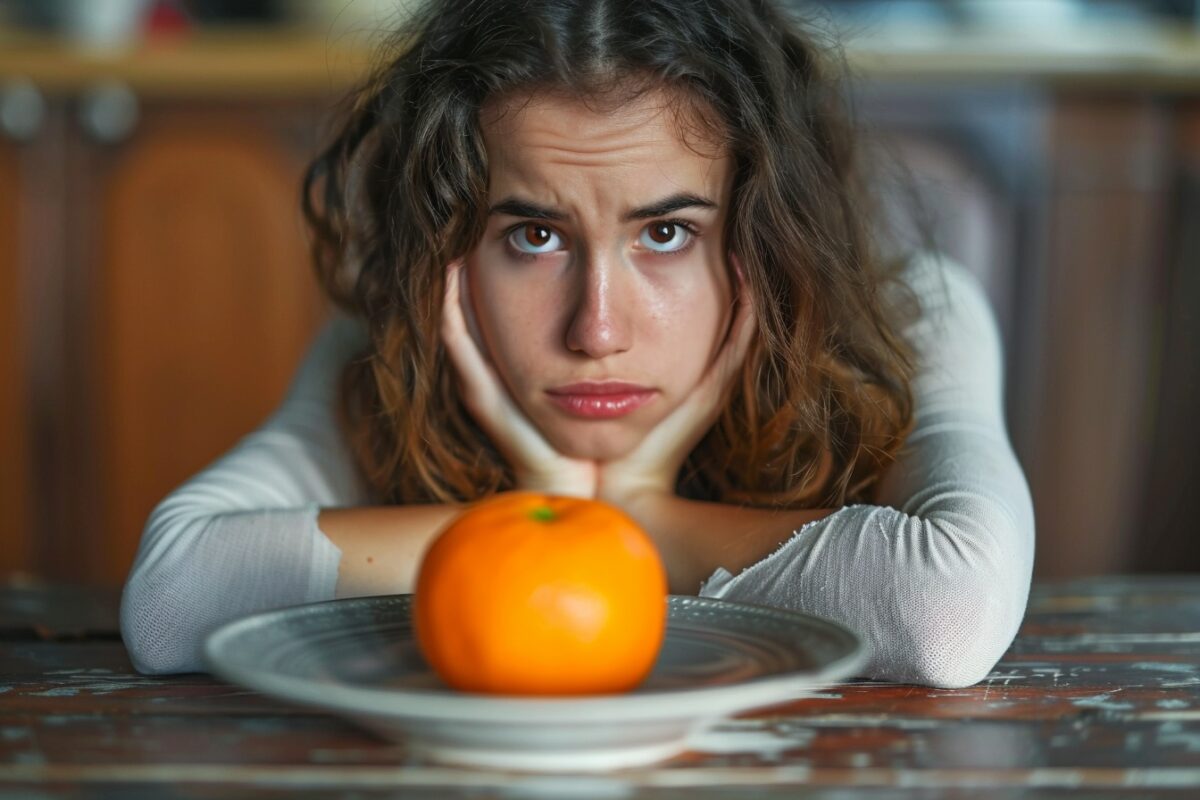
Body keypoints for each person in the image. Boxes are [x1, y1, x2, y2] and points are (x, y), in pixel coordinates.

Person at [119, 0, 1034, 688]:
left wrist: (626, 516)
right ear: (453, 243)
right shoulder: (397, 340)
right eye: (534, 236)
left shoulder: (918, 312)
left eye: (666, 234)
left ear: (765, 235)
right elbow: (171, 600)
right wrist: (558, 506)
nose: (596, 329)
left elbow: (945, 614)